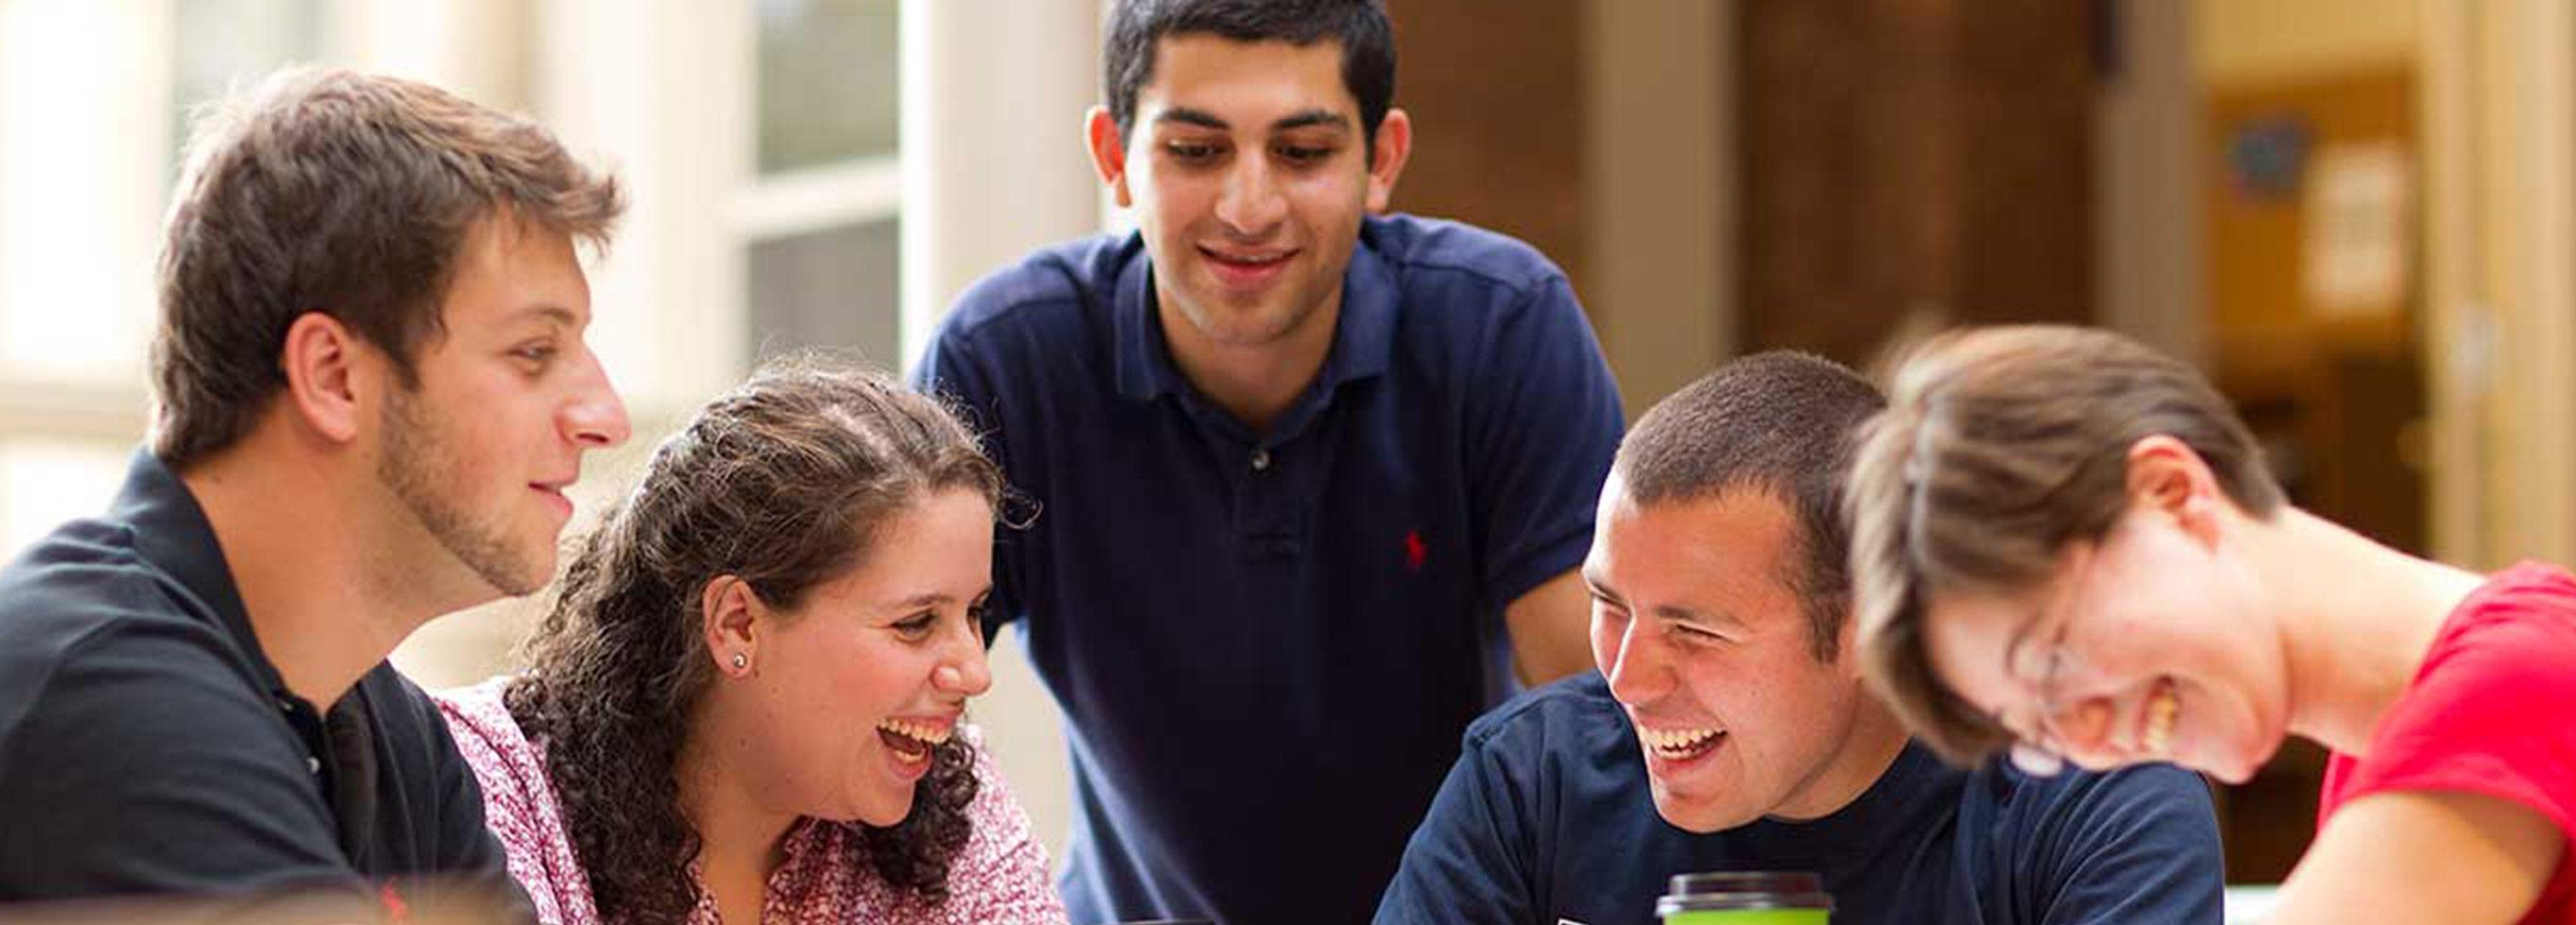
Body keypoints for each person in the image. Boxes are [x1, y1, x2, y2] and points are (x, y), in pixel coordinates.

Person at [912, 0, 1625, 919]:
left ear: (1383, 160)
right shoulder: (1004, 359)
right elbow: (882, 696)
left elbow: (1602, 719)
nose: (1248, 207)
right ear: (1113, 157)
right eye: (1196, 151)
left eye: (1302, 152)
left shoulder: (1501, 326)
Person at [0, 68, 627, 915]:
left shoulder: (385, 728)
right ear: (333, 375)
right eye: (533, 353)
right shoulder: (114, 705)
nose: (607, 417)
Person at [1377, 352, 2225, 924]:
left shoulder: (2089, 795)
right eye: (1611, 603)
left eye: (1695, 629)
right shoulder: (1534, 780)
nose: (1628, 678)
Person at [1846, 325, 2576, 924]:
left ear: (2168, 494)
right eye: (2040, 732)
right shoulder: (2395, 746)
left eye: (2054, 663)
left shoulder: (2508, 687)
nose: (2090, 742)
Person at [434, 360, 1065, 925]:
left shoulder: (953, 795)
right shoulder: (481, 779)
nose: (974, 672)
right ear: (738, 624)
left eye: (975, 612)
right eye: (915, 622)